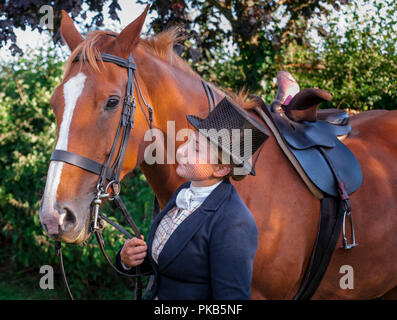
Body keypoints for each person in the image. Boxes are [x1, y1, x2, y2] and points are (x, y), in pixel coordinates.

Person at [115, 97, 269, 299]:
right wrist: (128, 260)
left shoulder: (234, 223)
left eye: (196, 150)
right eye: (189, 141)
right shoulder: (184, 191)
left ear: (221, 168)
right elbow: (174, 263)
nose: (181, 151)